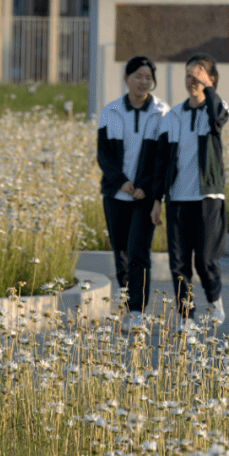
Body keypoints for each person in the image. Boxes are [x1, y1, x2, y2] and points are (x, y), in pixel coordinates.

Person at [150, 54, 229, 330]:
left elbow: (218, 118)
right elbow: (160, 162)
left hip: (208, 196)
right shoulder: (172, 116)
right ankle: (187, 318)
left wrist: (209, 88)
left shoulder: (216, 110)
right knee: (179, 262)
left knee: (206, 259)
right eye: (188, 76)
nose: (192, 81)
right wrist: (157, 200)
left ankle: (215, 299)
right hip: (178, 200)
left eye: (198, 76)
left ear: (210, 79)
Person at [96, 56, 168, 333]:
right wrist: (122, 182)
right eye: (137, 76)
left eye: (148, 77)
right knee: (122, 254)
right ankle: (127, 305)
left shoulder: (162, 112)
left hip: (145, 198)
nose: (143, 81)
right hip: (116, 194)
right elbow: (104, 155)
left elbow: (163, 158)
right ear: (126, 79)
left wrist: (146, 188)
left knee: (139, 253)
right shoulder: (110, 111)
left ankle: (137, 311)